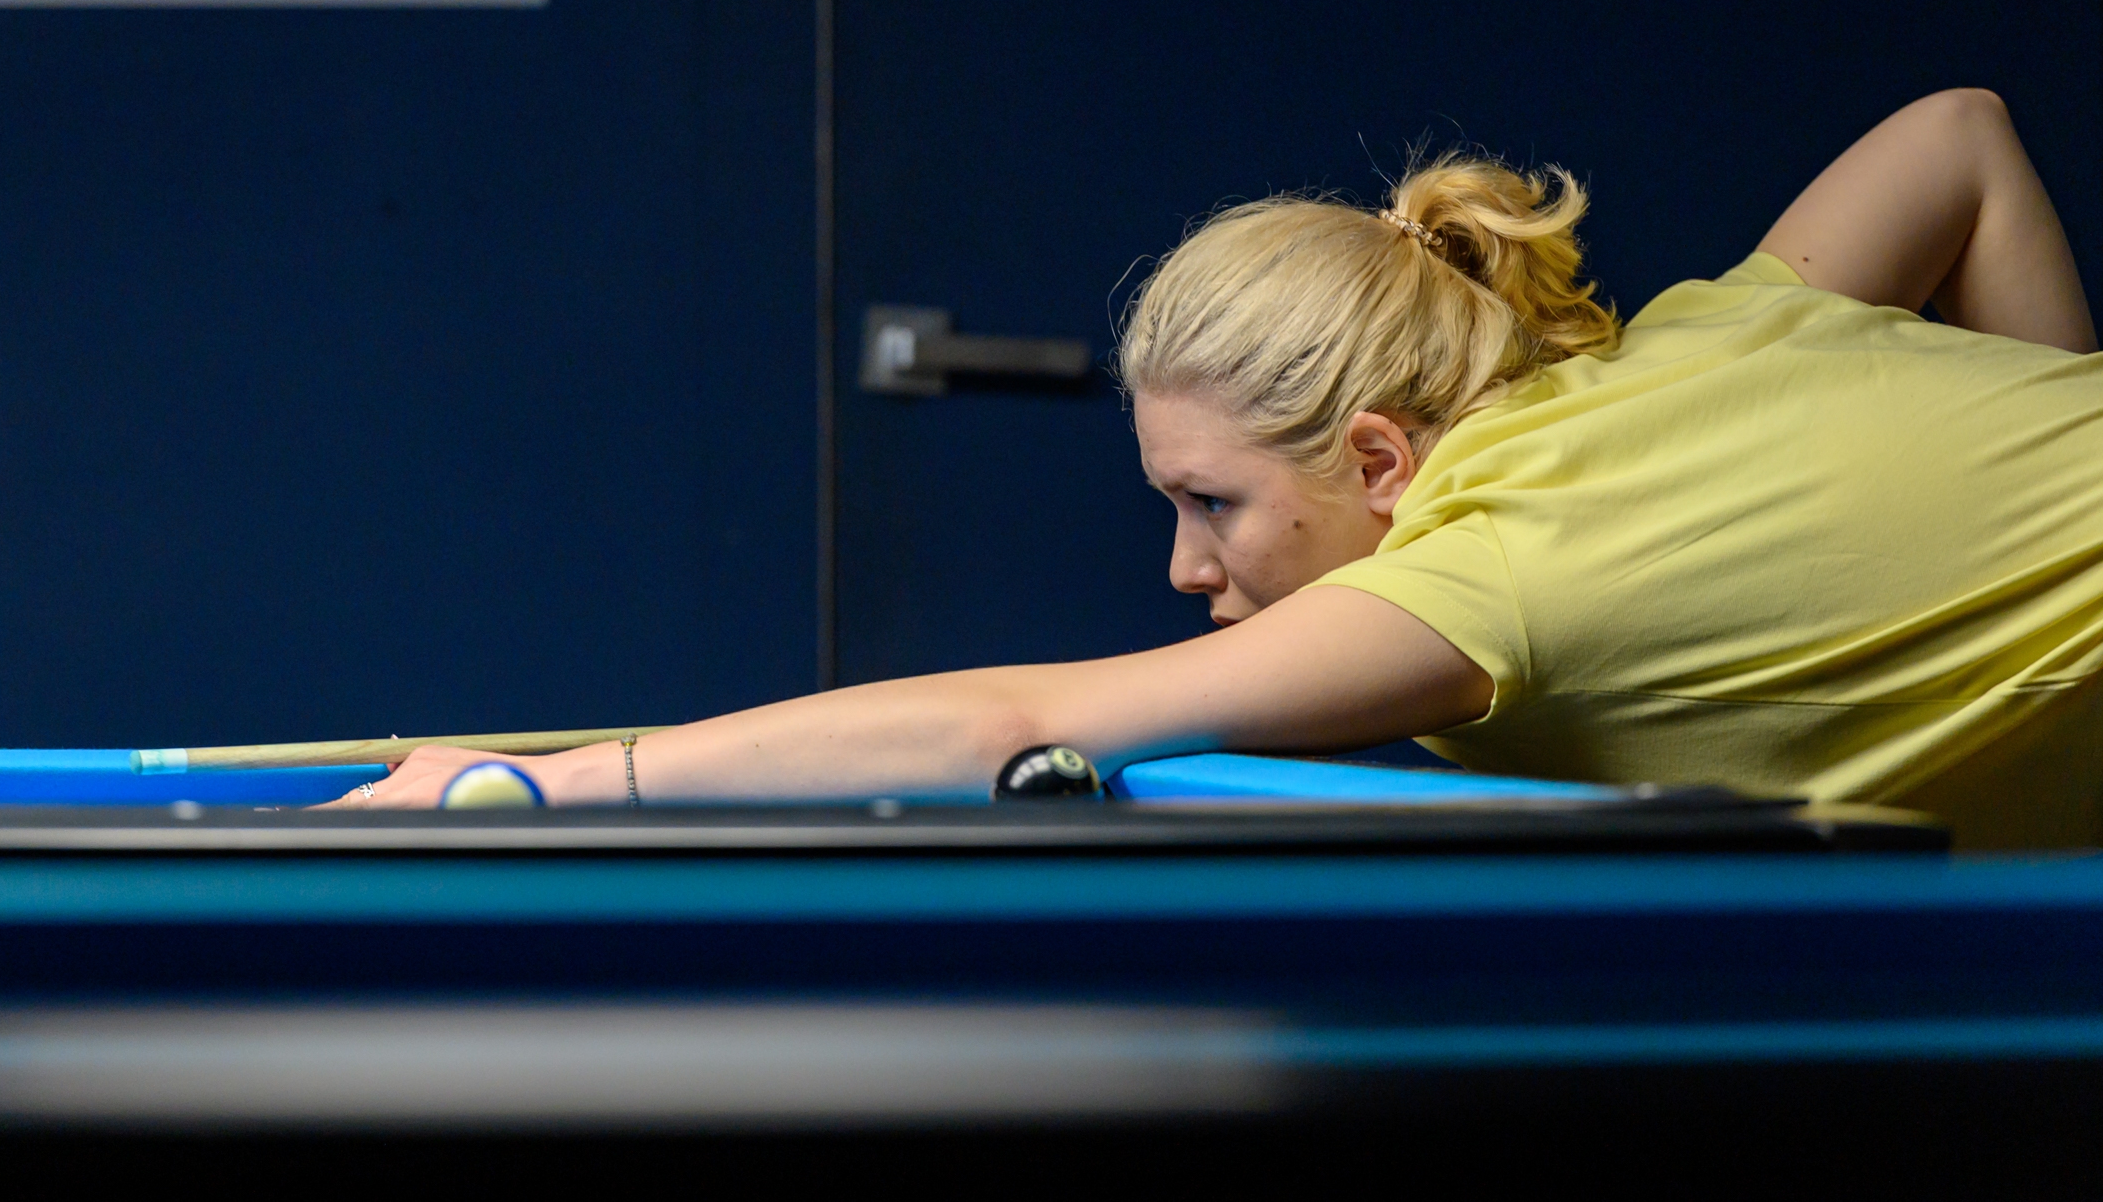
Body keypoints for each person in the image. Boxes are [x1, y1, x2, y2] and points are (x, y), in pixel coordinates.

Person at [352, 88, 2103, 847]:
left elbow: (1011, 723)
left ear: (1380, 455)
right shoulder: (1713, 337)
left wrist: (543, 783)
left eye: (1215, 504)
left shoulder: (1493, 571)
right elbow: (1959, 136)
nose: (1190, 568)